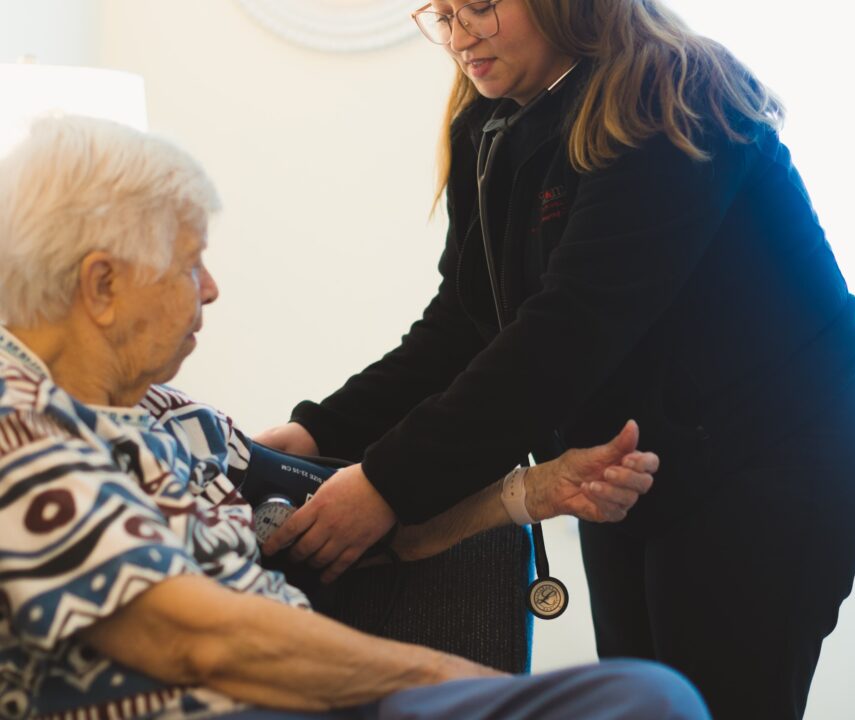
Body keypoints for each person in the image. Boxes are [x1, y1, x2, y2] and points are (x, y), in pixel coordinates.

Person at [256, 1, 855, 718]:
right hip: (636, 462)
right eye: (443, 12)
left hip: (771, 455)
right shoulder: (492, 124)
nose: (460, 33)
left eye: (483, 6)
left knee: (718, 701)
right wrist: (317, 432)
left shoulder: (673, 88)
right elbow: (464, 326)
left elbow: (569, 330)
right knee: (645, 699)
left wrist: (386, 485)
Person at [0, 115, 711, 719]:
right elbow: (193, 637)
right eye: (190, 265)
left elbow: (355, 527)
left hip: (323, 698)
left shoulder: (171, 417)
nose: (211, 291)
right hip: (249, 702)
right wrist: (448, 677)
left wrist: (530, 494)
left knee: (643, 695)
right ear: (101, 285)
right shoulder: (20, 426)